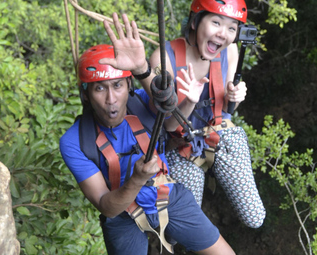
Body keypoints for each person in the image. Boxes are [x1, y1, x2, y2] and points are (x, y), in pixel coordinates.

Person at [59, 44, 252, 255]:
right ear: (86, 95)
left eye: (117, 85)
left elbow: (171, 112)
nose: (111, 99)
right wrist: (137, 178)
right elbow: (107, 206)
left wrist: (144, 71)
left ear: (129, 84)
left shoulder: (142, 102)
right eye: (99, 88)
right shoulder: (75, 141)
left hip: (165, 193)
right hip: (122, 215)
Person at [99, 0, 266, 229]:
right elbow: (167, 123)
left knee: (255, 217)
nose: (223, 34)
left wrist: (234, 98)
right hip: (180, 145)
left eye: (231, 27)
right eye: (216, 22)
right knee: (187, 227)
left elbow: (226, 110)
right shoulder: (163, 58)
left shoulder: (231, 51)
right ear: (196, 21)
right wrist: (189, 101)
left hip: (220, 136)